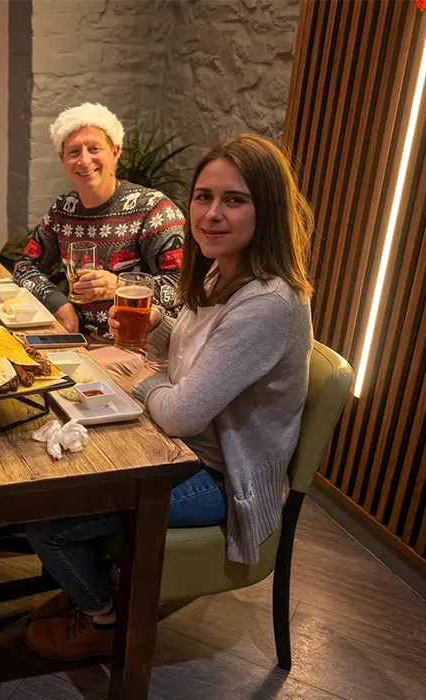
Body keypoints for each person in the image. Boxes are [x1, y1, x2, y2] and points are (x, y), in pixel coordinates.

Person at [23, 134, 314, 661]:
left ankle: (104, 617)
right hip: (183, 450)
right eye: (204, 197)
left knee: (50, 519)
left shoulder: (268, 302)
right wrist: (155, 330)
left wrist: (140, 376)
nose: (211, 214)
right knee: (55, 470)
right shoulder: (222, 271)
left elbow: (180, 414)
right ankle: (89, 586)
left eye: (234, 200)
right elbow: (190, 352)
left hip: (224, 477)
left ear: (267, 209)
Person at [12, 102, 185, 339]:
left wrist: (121, 287)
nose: (84, 160)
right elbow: (24, 267)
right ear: (63, 159)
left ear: (115, 152)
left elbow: (184, 285)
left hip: (138, 343)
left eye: (94, 148)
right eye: (74, 152)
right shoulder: (63, 210)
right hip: (80, 339)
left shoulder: (154, 209)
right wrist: (59, 304)